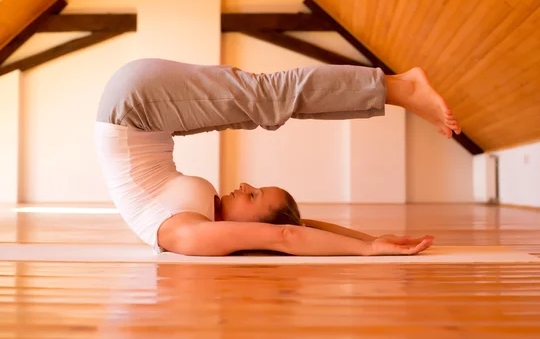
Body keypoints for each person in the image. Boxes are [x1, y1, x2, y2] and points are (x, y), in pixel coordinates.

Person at [94, 59, 461, 257]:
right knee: (270, 106)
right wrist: (371, 239)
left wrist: (366, 250)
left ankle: (403, 87)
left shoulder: (185, 234)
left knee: (269, 97)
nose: (244, 186)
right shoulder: (201, 221)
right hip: (139, 112)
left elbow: (284, 235)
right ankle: (396, 88)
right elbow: (297, 229)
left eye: (253, 196)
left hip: (134, 107)